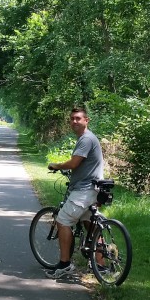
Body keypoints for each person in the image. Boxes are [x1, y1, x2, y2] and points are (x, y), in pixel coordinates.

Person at [45, 106, 104, 279]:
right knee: (91, 226)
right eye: (72, 119)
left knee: (63, 221)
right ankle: (100, 266)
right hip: (94, 189)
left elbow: (74, 163)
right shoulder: (89, 138)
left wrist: (56, 165)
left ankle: (65, 265)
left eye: (78, 118)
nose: (74, 122)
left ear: (87, 120)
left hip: (84, 190)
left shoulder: (86, 139)